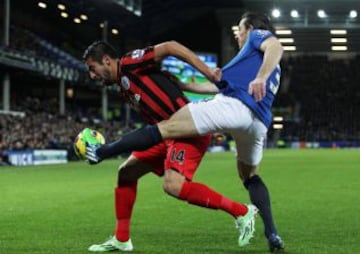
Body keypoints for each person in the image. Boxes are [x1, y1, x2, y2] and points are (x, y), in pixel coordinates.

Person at [85, 12, 285, 252]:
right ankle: (121, 238)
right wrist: (188, 86)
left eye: (92, 68)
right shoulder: (243, 62)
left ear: (107, 60)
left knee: (173, 183)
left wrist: (252, 77)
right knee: (127, 172)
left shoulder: (257, 39)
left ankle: (242, 211)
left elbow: (275, 46)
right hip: (250, 122)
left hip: (189, 128)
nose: (238, 35)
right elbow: (220, 87)